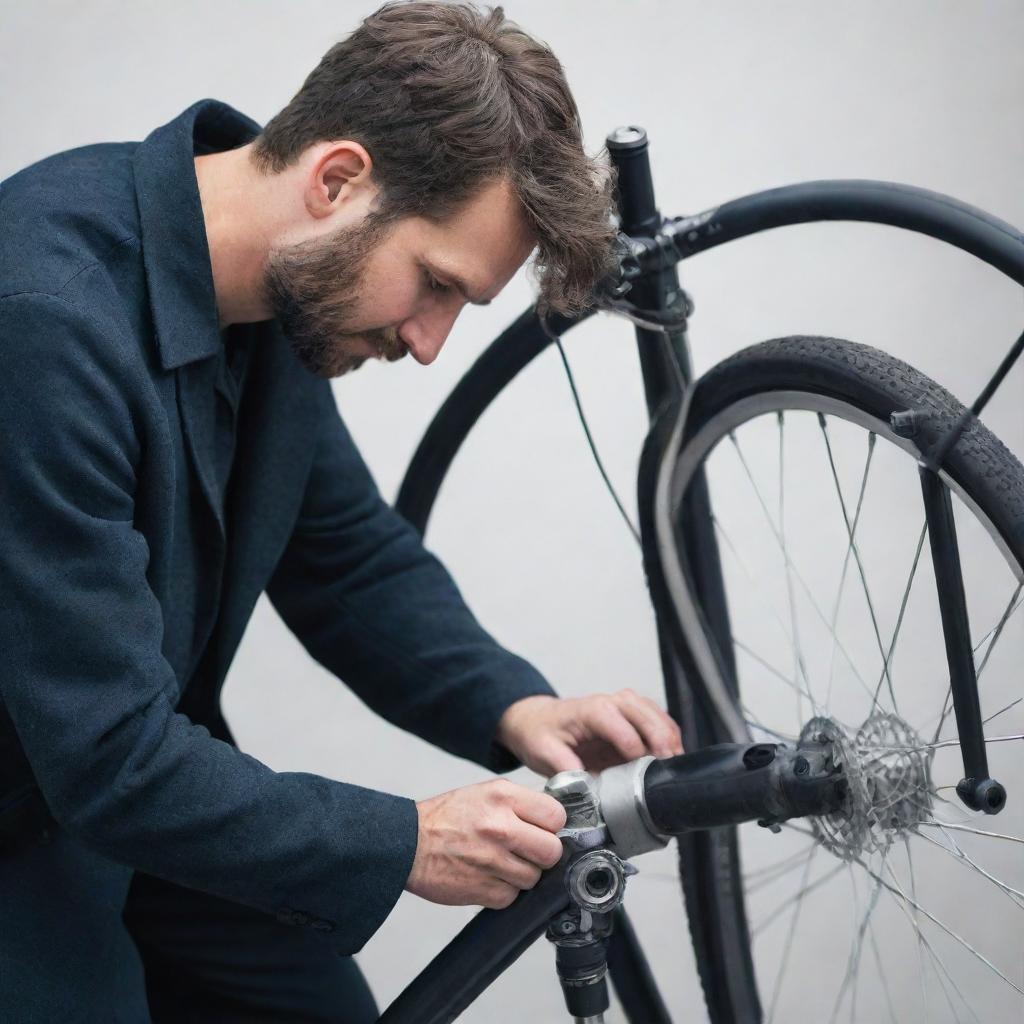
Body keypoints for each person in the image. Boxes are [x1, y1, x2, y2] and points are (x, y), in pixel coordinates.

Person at [0, 2, 683, 1020]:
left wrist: (516, 708)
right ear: (336, 181)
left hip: (127, 816)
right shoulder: (47, 325)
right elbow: (103, 754)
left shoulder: (273, 291)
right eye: (434, 286)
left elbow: (346, 558)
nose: (427, 343)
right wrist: (406, 839)